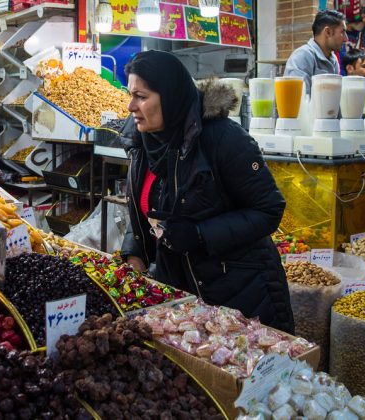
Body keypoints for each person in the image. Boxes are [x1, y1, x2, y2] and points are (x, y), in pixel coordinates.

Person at [120, 50, 294, 334]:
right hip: (181, 298)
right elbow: (149, 207)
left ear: (170, 95)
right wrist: (135, 252)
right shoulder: (143, 143)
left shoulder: (223, 139)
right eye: (130, 94)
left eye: (141, 96)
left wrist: (200, 234)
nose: (130, 106)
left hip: (238, 295)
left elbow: (268, 209)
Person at [285, 9, 347, 95]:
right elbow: (298, 100)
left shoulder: (333, 60)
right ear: (328, 32)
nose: (346, 39)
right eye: (342, 33)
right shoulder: (302, 56)